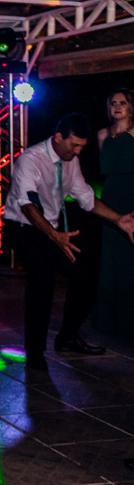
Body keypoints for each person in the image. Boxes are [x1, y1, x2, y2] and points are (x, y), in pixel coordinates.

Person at [3, 112, 134, 371]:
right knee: (42, 280)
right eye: (74, 145)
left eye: (82, 148)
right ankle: (35, 351)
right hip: (23, 227)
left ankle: (68, 337)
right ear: (58, 137)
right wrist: (54, 237)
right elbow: (27, 205)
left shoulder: (70, 160)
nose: (77, 152)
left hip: (52, 229)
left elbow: (85, 196)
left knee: (86, 272)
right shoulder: (30, 159)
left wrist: (119, 219)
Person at [94, 89, 134, 337]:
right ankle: (111, 321)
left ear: (131, 107)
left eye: (123, 103)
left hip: (132, 195)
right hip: (111, 198)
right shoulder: (102, 135)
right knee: (111, 260)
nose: (117, 107)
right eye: (113, 103)